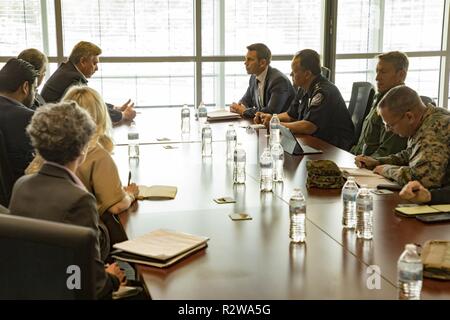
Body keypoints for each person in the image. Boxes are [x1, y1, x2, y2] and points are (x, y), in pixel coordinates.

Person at [8, 102, 125, 299]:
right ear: (83, 149)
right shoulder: (79, 200)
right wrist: (112, 278)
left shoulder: (21, 185)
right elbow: (92, 284)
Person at [255, 49, 355, 151]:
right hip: (316, 143)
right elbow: (291, 115)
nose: (290, 75)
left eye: (294, 72)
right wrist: (272, 118)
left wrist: (276, 125)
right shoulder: (303, 88)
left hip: (335, 148)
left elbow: (309, 126)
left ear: (307, 74)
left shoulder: (323, 92)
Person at [355, 85, 450, 188]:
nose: (388, 130)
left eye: (390, 125)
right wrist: (378, 162)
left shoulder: (434, 129)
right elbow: (411, 153)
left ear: (409, 117)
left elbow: (424, 179)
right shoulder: (427, 117)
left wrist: (386, 170)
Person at [40, 41, 136, 123]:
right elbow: (92, 109)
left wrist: (115, 108)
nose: (97, 68)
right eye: (94, 63)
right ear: (83, 61)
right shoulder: (74, 79)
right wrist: (123, 115)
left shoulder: (67, 71)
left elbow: (93, 103)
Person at [351, 51, 408, 157]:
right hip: (358, 159)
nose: (377, 78)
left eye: (383, 72)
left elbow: (388, 153)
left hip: (372, 167)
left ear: (401, 74)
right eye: (377, 72)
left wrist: (363, 162)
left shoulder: (399, 105)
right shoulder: (380, 98)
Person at [230, 43, 295, 118]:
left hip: (281, 127)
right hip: (263, 126)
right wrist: (238, 107)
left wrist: (244, 111)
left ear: (262, 63)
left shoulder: (279, 81)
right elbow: (246, 100)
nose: (245, 63)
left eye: (250, 59)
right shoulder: (253, 77)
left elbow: (271, 112)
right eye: (245, 59)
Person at [0, 58, 37, 183]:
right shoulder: (28, 118)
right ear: (25, 87)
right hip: (18, 192)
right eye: (35, 89)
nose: (35, 94)